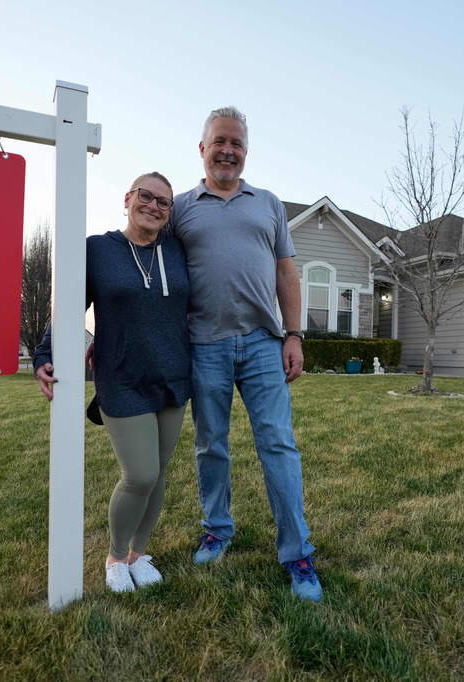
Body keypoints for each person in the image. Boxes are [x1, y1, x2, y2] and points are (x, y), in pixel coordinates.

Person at [166, 106, 322, 602]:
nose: (227, 151)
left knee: (278, 443)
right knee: (211, 444)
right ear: (203, 148)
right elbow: (162, 276)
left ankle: (297, 554)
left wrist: (293, 334)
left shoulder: (269, 204)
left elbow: (287, 275)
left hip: (262, 344)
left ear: (245, 152)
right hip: (204, 344)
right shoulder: (182, 208)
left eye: (236, 143)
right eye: (219, 142)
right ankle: (217, 528)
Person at [34, 172, 191, 594]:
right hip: (121, 377)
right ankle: (116, 556)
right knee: (139, 474)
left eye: (164, 202)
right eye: (146, 196)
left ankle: (140, 554)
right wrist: (45, 353)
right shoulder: (97, 250)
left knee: (158, 475)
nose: (154, 206)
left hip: (174, 375)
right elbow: (68, 306)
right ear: (127, 198)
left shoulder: (177, 250)